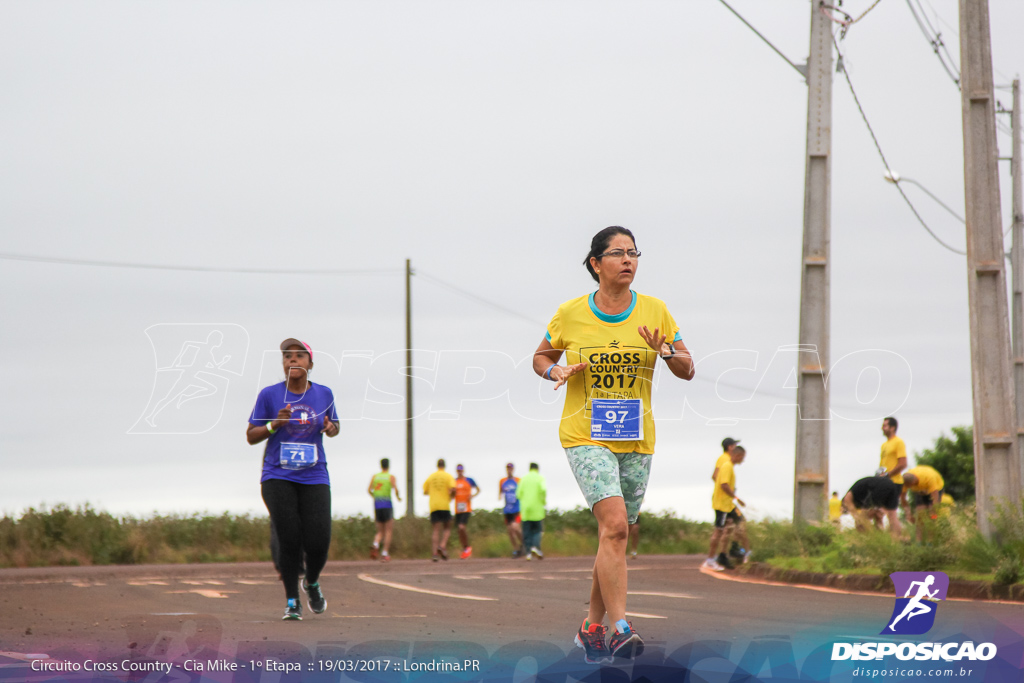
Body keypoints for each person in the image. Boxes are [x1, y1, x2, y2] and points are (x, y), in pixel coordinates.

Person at [533, 226, 695, 663]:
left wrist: (665, 352)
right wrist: (556, 372)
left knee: (614, 535)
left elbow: (688, 368)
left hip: (636, 438)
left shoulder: (656, 311)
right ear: (595, 263)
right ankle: (621, 628)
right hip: (584, 433)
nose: (628, 260)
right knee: (617, 527)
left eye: (633, 253)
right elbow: (541, 356)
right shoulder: (570, 313)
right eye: (618, 253)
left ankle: (591, 627)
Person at [247, 338, 338, 621]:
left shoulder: (324, 394)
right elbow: (251, 435)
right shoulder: (269, 395)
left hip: (314, 475)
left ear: (310, 364)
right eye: (288, 356)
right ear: (283, 364)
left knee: (318, 541)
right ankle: (292, 601)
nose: (293, 360)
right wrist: (275, 424)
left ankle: (311, 582)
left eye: (299, 356)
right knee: (289, 537)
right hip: (277, 475)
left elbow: (334, 427)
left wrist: (331, 427)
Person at [704, 446, 750, 571]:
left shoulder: (729, 466)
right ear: (737, 455)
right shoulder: (727, 466)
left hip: (728, 505)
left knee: (737, 524)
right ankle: (710, 559)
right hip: (722, 505)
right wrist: (736, 497)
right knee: (719, 531)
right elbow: (724, 484)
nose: (743, 460)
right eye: (742, 457)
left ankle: (728, 553)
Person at [368, 459, 402, 562]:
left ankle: (375, 544)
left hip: (377, 505)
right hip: (387, 504)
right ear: (388, 466)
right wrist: (398, 497)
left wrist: (375, 497)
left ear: (381, 465)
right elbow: (396, 489)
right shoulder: (390, 477)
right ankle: (384, 553)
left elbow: (369, 490)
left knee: (380, 531)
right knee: (388, 530)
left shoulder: (375, 477)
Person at [900, 465, 945, 542]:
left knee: (932, 516)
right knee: (920, 515)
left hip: (936, 488)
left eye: (910, 486)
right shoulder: (905, 482)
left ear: (913, 482)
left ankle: (930, 541)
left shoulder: (929, 478)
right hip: (920, 491)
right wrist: (908, 513)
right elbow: (903, 499)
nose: (909, 488)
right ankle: (919, 543)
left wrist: (933, 510)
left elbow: (935, 497)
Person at [423, 459, 456, 561]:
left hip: (434, 505)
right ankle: (442, 545)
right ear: (444, 466)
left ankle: (435, 554)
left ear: (437, 465)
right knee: (447, 528)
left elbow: (425, 490)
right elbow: (454, 489)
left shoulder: (431, 476)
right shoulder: (448, 476)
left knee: (435, 530)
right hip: (444, 505)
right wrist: (451, 496)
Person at [518, 463, 547, 561]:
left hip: (525, 509)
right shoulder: (540, 478)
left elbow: (518, 494)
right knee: (537, 531)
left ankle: (528, 553)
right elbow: (543, 489)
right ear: (537, 469)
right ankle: (535, 546)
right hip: (537, 509)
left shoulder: (524, 479)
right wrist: (543, 501)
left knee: (527, 532)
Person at [453, 464, 480, 559]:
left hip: (466, 508)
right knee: (459, 530)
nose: (459, 472)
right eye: (458, 470)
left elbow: (478, 489)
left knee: (461, 527)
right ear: (456, 471)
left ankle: (467, 546)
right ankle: (465, 548)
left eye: (461, 470)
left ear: (463, 471)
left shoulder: (469, 480)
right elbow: (451, 494)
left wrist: (472, 496)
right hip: (457, 509)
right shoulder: (454, 481)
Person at [498, 463, 524, 557]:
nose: (509, 470)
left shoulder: (518, 480)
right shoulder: (502, 481)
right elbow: (500, 493)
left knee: (515, 527)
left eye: (511, 468)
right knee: (510, 531)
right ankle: (516, 549)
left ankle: (523, 543)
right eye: (508, 468)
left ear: (513, 469)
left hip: (517, 508)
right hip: (507, 510)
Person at [879, 417, 907, 484]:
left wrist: (888, 475)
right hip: (884, 481)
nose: (882, 428)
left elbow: (903, 464)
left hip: (894, 482)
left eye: (885, 426)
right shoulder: (884, 445)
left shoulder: (898, 442)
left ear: (892, 428)